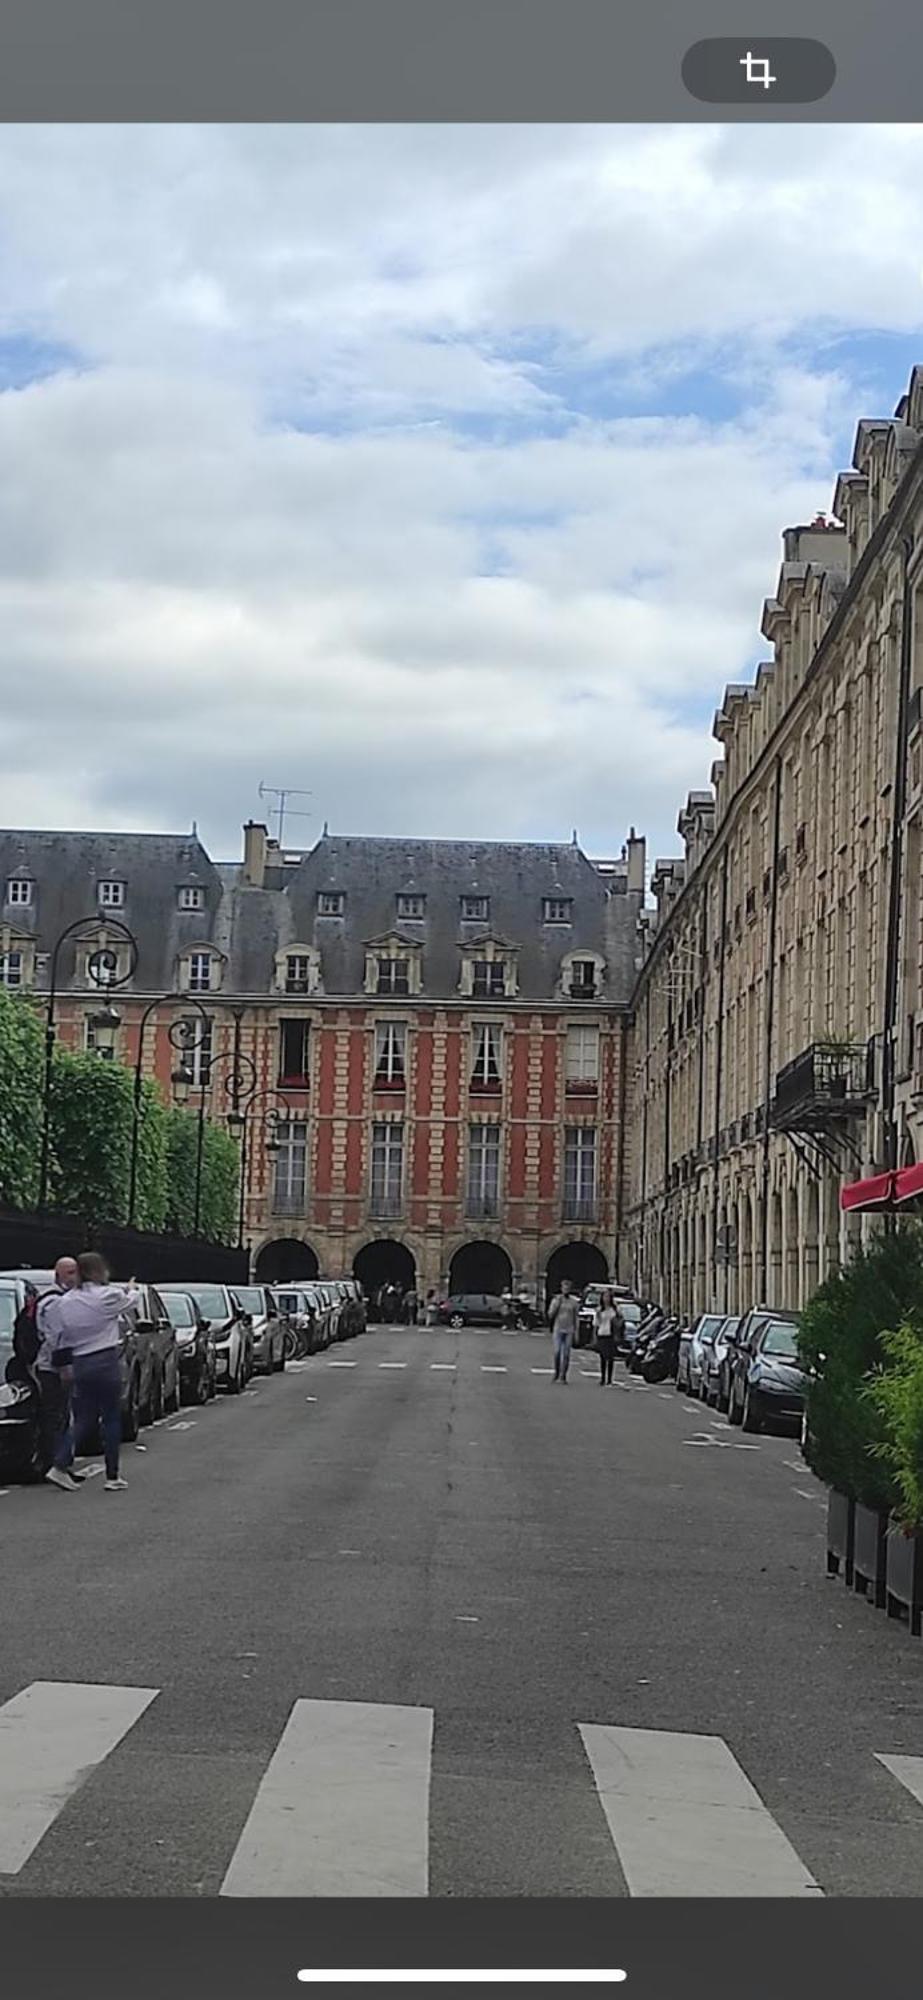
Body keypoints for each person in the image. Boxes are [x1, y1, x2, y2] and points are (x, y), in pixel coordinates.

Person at [41, 1253, 141, 1492]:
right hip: (105, 1359)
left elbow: (60, 1337)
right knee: (110, 1418)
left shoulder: (66, 1302)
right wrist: (132, 1288)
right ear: (99, 1270)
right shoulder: (107, 1296)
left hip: (80, 1362)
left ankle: (59, 1465)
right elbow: (132, 1302)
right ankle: (112, 1475)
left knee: (83, 1418)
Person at [35, 1256, 83, 1491]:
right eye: (70, 1273)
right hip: (52, 1369)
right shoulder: (54, 1302)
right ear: (58, 1275)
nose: (75, 1277)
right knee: (55, 1417)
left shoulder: (62, 1299)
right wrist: (65, 1368)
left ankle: (62, 1465)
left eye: (76, 1272)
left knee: (62, 1416)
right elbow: (57, 1338)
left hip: (55, 1367)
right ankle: (55, 1466)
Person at [547, 1277, 579, 1383]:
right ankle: (556, 1372)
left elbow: (576, 1318)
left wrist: (576, 1332)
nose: (566, 1290)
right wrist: (556, 1305)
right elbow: (550, 1314)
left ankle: (563, 1375)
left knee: (566, 1353)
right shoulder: (556, 1299)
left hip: (569, 1329)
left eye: (568, 1288)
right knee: (557, 1351)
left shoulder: (574, 1302)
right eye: (564, 1287)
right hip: (558, 1328)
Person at [594, 1287, 623, 1387]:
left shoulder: (614, 1309)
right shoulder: (599, 1310)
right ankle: (603, 1378)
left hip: (611, 1335)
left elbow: (620, 1320)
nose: (606, 1299)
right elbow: (596, 1324)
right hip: (602, 1333)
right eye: (604, 1297)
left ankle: (610, 1379)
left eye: (608, 1297)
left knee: (610, 1357)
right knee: (602, 1357)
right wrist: (595, 1336)